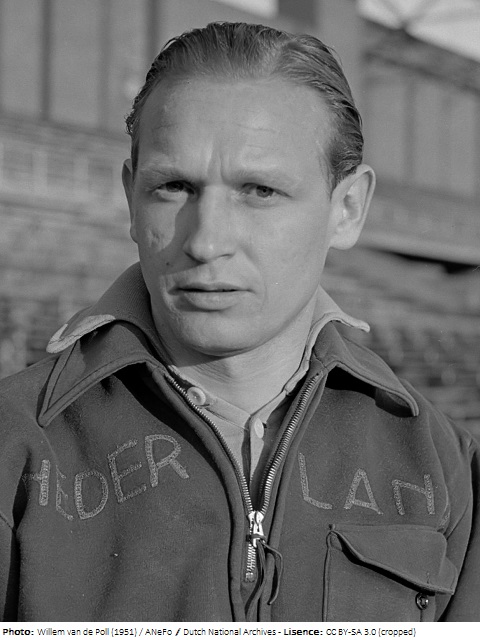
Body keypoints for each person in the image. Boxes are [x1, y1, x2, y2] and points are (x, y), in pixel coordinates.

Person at [0, 22, 478, 623]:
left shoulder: (445, 465)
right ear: (131, 200)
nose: (206, 241)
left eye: (260, 191)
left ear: (348, 208)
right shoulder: (14, 444)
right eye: (174, 186)